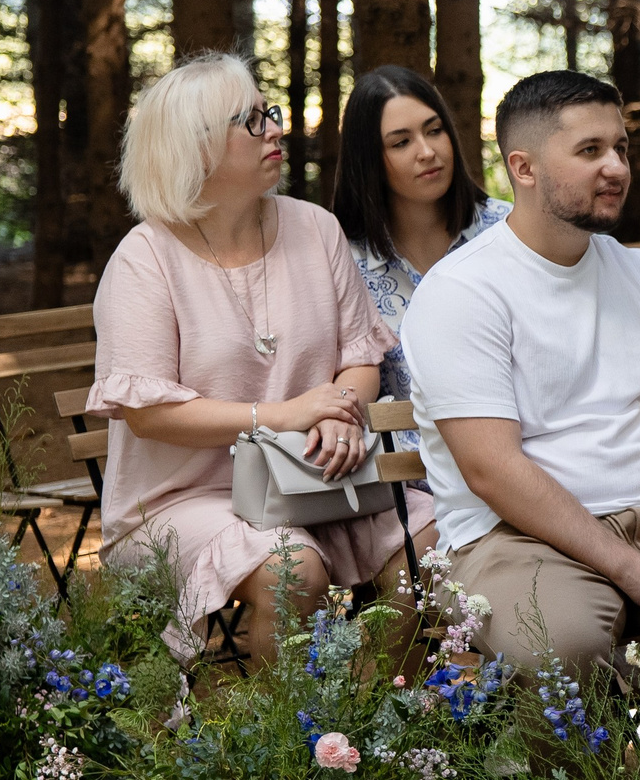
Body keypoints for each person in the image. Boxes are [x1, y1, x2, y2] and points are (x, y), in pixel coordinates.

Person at [89, 51, 427, 660]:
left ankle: (374, 725)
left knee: (434, 540)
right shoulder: (145, 258)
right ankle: (282, 748)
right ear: (194, 148)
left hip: (315, 477)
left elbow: (360, 355)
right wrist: (288, 414)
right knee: (290, 570)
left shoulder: (316, 228)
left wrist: (338, 412)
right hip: (183, 503)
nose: (276, 128)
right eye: (251, 121)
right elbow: (149, 413)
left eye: (268, 112)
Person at [401, 70, 640, 673]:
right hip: (512, 540)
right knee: (561, 650)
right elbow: (493, 470)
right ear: (524, 168)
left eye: (619, 148)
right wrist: (631, 572)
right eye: (590, 151)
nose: (616, 167)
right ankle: (563, 772)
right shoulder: (463, 290)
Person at [328, 65, 507, 401]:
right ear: (369, 160)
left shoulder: (509, 231)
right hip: (398, 451)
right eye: (402, 142)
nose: (427, 152)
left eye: (435, 130)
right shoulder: (341, 259)